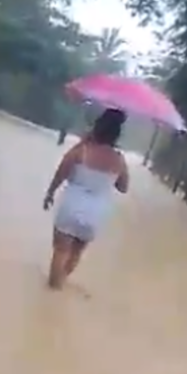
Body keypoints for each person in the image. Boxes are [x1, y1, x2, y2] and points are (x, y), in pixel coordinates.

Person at [42, 108, 130, 290]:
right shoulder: (119, 160)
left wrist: (50, 193)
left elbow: (61, 173)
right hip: (96, 214)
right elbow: (123, 187)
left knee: (61, 250)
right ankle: (61, 285)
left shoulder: (81, 150)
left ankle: (52, 289)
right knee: (76, 253)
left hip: (71, 206)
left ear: (97, 126)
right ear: (117, 134)